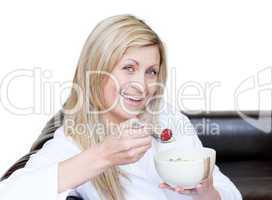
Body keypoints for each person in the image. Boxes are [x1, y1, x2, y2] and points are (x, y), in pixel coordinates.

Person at [0, 14, 242, 200]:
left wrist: (206, 192)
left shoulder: (167, 118)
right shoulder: (73, 140)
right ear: (98, 68)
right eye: (129, 68)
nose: (142, 85)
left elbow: (229, 192)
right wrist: (103, 155)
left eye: (151, 72)